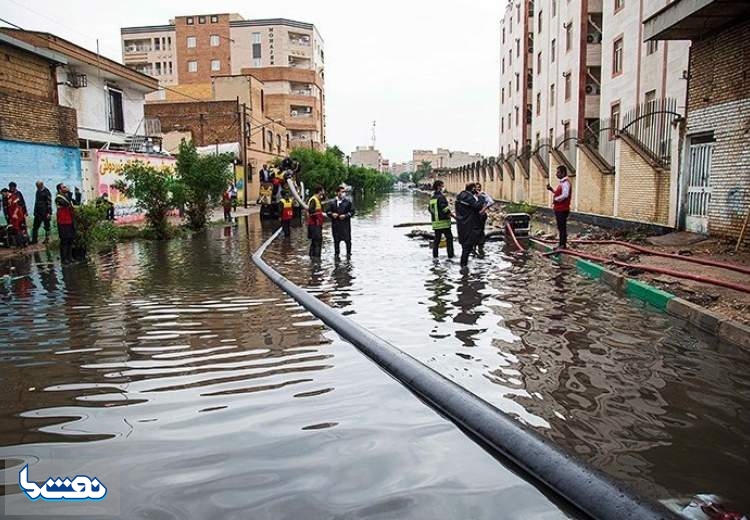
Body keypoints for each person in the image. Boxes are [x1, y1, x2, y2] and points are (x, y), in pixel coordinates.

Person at [455, 182, 486, 267]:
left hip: (462, 225)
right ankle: (464, 269)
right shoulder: (468, 197)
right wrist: (481, 197)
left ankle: (464, 272)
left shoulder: (460, 195)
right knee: (467, 248)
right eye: (475, 188)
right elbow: (477, 206)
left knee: (465, 247)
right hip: (469, 225)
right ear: (473, 189)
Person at [547, 165, 572, 250]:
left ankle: (562, 245)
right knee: (560, 227)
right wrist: (552, 190)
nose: (556, 174)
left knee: (562, 227)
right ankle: (561, 244)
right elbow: (559, 194)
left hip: (562, 209)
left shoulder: (566, 183)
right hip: (559, 209)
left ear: (563, 173)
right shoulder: (562, 183)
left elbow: (565, 195)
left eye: (558, 172)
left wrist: (556, 199)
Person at [326, 185, 355, 257]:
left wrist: (345, 216)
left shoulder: (348, 202)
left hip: (345, 226)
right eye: (342, 192)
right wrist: (332, 214)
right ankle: (336, 257)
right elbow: (327, 211)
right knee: (336, 242)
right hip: (336, 226)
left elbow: (352, 212)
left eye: (344, 192)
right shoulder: (332, 203)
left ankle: (348, 256)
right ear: (337, 193)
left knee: (348, 241)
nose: (343, 193)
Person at [428, 180, 454, 259]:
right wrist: (453, 216)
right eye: (442, 186)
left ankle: (435, 257)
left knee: (437, 240)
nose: (443, 188)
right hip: (444, 222)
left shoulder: (432, 198)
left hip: (436, 223)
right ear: (438, 187)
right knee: (449, 239)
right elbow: (445, 209)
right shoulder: (441, 197)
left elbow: (430, 209)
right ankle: (450, 256)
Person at [55, 183, 75, 263]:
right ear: (60, 189)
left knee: (70, 239)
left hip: (69, 220)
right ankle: (64, 258)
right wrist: (69, 195)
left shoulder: (67, 196)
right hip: (62, 221)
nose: (66, 188)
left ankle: (70, 257)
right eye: (64, 187)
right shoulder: (58, 198)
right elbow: (66, 203)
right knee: (64, 240)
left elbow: (74, 202)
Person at [474, 182, 493, 257]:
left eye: (479, 187)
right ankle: (475, 245)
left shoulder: (483, 194)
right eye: (476, 187)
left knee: (481, 230)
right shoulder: (472, 195)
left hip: (481, 215)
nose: (478, 189)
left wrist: (484, 209)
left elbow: (491, 202)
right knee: (474, 230)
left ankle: (480, 246)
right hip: (474, 216)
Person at [306, 185, 325, 258]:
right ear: (320, 191)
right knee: (317, 242)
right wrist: (319, 214)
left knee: (314, 242)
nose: (323, 192)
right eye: (323, 191)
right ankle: (317, 259)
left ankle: (312, 258)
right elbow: (310, 211)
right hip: (314, 225)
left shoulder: (317, 199)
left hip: (317, 224)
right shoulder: (313, 200)